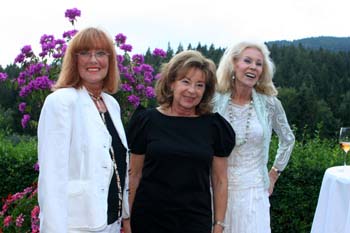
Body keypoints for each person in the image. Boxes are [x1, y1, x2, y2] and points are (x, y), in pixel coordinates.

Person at [127, 50, 235, 233]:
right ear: (171, 84)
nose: (192, 90)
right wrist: (127, 220)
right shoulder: (146, 121)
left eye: (199, 85)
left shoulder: (215, 127)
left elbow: (220, 180)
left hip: (195, 222)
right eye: (185, 81)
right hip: (148, 220)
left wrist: (219, 225)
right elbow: (134, 175)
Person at [37, 27, 130, 233]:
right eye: (85, 53)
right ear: (74, 60)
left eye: (100, 53)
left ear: (110, 60)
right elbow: (51, 178)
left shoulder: (111, 104)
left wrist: (125, 216)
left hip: (111, 223)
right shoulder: (61, 102)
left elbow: (118, 165)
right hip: (76, 226)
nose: (93, 60)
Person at [213, 41, 295, 233]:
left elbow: (288, 139)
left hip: (255, 192)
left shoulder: (270, 104)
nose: (253, 67)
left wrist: (274, 174)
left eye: (259, 64)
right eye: (247, 61)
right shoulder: (213, 101)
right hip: (216, 191)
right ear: (234, 64)